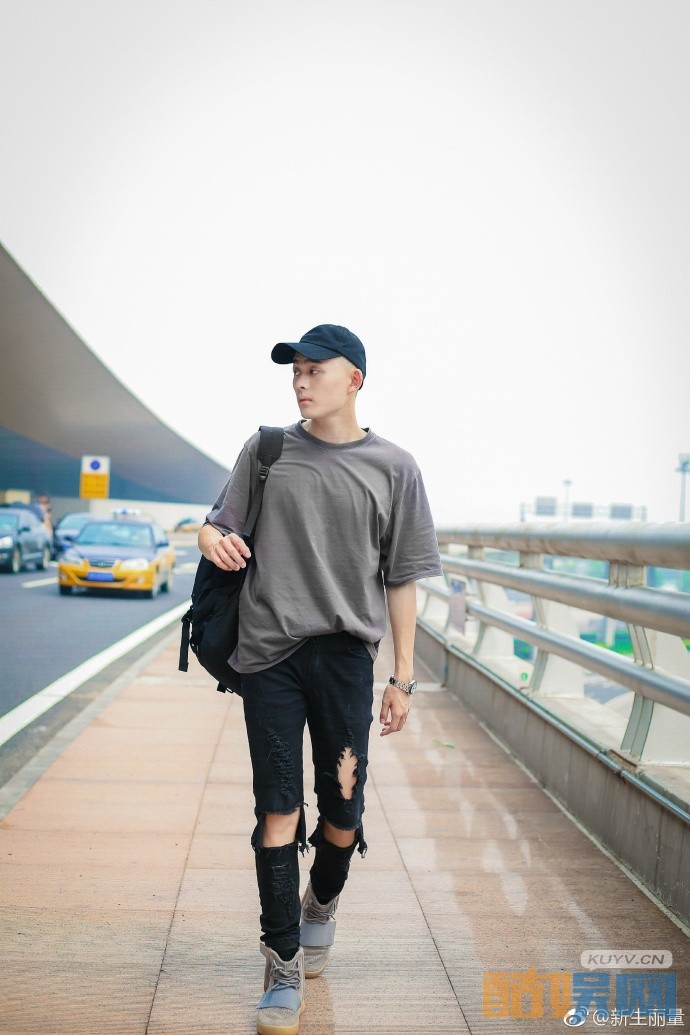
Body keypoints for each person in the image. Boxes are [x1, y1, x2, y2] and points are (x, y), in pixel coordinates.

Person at [198, 324, 442, 1035]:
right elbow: (215, 525)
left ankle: (323, 899)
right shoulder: (268, 449)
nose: (301, 383)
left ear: (354, 379)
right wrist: (211, 537)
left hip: (344, 660)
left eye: (314, 370)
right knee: (277, 809)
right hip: (269, 655)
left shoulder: (395, 467)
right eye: (295, 372)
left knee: (342, 811)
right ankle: (281, 966)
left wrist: (402, 678)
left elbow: (402, 578)